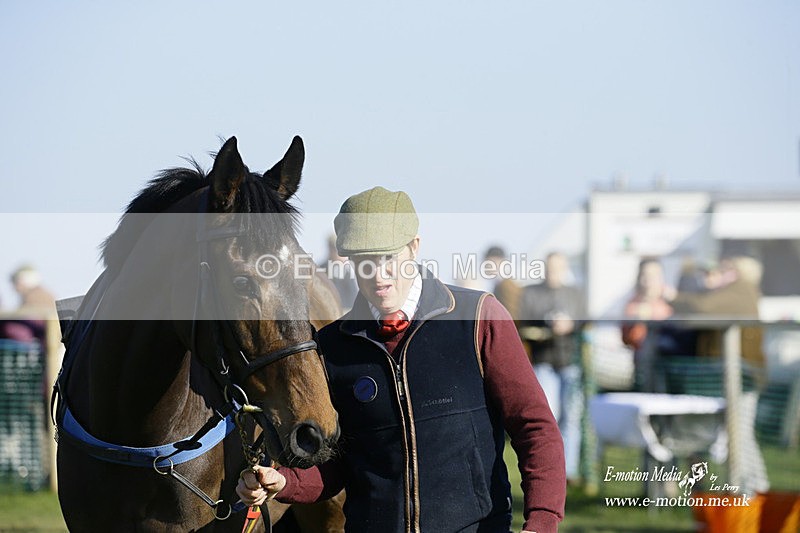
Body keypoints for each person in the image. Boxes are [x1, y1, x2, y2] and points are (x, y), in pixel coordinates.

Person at [238, 186, 565, 533]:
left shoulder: (480, 318)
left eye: (387, 258)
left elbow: (536, 428)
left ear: (414, 248)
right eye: (364, 262)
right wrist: (284, 482)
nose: (378, 275)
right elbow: (337, 468)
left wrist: (542, 522)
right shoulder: (332, 346)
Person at [517, 252, 584, 485]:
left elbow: (584, 320)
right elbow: (522, 324)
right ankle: (548, 469)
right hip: (543, 362)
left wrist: (570, 325)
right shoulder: (531, 293)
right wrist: (546, 324)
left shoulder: (575, 294)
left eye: (558, 268)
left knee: (571, 418)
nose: (553, 272)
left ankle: (568, 472)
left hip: (570, 363)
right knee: (549, 416)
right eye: (549, 268)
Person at [621, 258, 674, 391]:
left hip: (673, 365)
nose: (649, 280)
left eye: (654, 276)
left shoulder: (673, 301)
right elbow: (628, 339)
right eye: (645, 275)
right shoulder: (633, 306)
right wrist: (638, 322)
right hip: (646, 369)